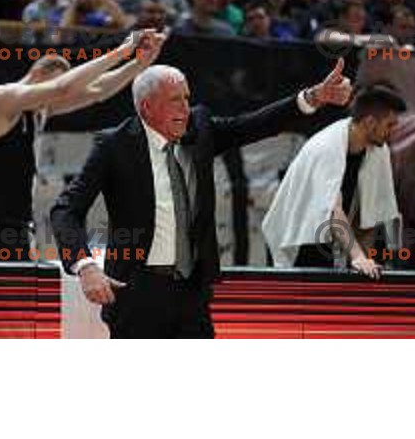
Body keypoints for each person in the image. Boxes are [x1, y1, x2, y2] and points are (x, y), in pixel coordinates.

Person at [50, 59, 353, 338]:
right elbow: (66, 210)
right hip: (136, 294)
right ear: (146, 107)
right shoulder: (114, 145)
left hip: (191, 294)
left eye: (186, 98)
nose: (185, 109)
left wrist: (313, 97)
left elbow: (254, 124)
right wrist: (86, 266)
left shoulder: (200, 127)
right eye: (174, 101)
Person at [0, 29, 166, 261]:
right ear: (38, 73)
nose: (62, 99)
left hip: (17, 224)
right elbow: (63, 88)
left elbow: (98, 91)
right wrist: (122, 51)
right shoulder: (0, 98)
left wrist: (140, 64)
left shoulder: (39, 110)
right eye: (56, 84)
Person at [263, 84, 407, 279]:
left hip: (335, 240)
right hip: (297, 240)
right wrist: (357, 256)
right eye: (389, 125)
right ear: (370, 122)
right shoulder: (327, 147)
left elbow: (371, 215)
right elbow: (332, 209)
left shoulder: (378, 149)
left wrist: (365, 263)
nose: (393, 132)